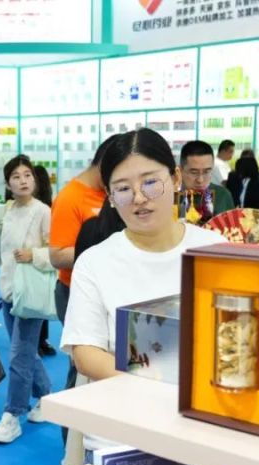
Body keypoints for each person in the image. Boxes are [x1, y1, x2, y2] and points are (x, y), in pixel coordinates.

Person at [61, 128, 225, 382]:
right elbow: (86, 353)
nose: (138, 198)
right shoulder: (94, 262)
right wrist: (156, 383)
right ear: (110, 197)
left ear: (175, 178)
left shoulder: (215, 249)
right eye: (123, 188)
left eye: (150, 183)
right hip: (124, 399)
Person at [0, 155, 54, 444]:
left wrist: (34, 255)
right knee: (26, 351)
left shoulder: (43, 211)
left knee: (19, 353)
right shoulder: (8, 210)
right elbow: (5, 253)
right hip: (8, 290)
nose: (23, 180)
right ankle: (45, 395)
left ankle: (13, 414)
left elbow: (56, 251)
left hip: (30, 292)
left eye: (27, 175)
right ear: (8, 184)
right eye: (16, 176)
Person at [48, 139, 111, 405]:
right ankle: (71, 428)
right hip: (74, 291)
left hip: (108, 291)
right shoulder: (71, 197)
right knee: (82, 368)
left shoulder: (110, 192)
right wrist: (103, 250)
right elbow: (57, 255)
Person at [179, 140, 235, 224]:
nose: (200, 180)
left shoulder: (222, 196)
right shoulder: (169, 197)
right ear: (180, 171)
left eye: (206, 172)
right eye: (194, 172)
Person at [32, 164, 56, 357]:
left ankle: (39, 341)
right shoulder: (46, 205)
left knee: (38, 301)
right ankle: (40, 341)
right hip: (38, 259)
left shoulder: (43, 208)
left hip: (39, 258)